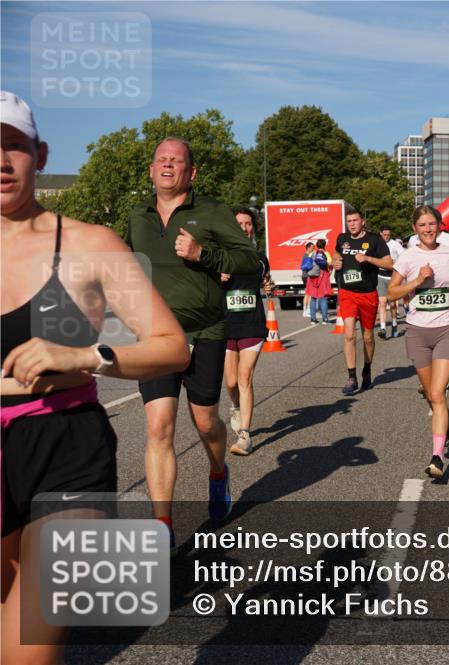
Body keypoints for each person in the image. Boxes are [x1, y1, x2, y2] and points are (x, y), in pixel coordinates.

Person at [1, 91, 189, 664]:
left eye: (13, 145)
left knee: (25, 648)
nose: (0, 161)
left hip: (67, 446)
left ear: (40, 154)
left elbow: (171, 346)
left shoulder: (90, 244)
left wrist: (87, 355)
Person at [128, 136, 260, 543]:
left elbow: (249, 260)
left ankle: (218, 472)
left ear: (192, 172)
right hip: (156, 335)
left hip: (206, 332)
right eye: (161, 159)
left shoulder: (212, 211)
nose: (168, 165)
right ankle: (162, 528)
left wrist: (204, 253)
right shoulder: (137, 216)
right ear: (152, 170)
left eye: (177, 160)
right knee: (159, 427)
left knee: (205, 422)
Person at [388, 205, 449, 478]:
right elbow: (391, 293)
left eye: (432, 224)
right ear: (414, 229)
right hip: (417, 332)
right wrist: (417, 281)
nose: (428, 229)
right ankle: (445, 424)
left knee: (438, 392)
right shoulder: (407, 257)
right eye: (422, 225)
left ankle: (437, 457)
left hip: (446, 329)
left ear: (440, 225)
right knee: (430, 394)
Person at [222, 207, 271, 455]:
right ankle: (236, 406)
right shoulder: (220, 257)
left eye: (248, 224)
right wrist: (216, 278)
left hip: (252, 324)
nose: (244, 228)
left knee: (244, 377)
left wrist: (267, 284)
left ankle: (245, 435)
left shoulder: (260, 259)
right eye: (239, 224)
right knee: (230, 382)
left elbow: (264, 280)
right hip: (226, 325)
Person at [332, 206, 392, 395]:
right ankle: (352, 377)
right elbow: (336, 254)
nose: (352, 224)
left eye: (355, 221)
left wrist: (368, 258)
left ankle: (367, 368)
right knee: (349, 334)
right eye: (349, 221)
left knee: (368, 337)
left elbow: (389, 263)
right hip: (347, 293)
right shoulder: (342, 238)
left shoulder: (375, 240)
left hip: (368, 293)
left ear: (362, 221)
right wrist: (335, 261)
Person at [377, 225, 406, 339]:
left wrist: (395, 262)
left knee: (393, 304)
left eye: (388, 235)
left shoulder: (395, 244)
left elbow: (404, 256)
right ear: (380, 234)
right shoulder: (377, 243)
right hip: (380, 276)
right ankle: (383, 328)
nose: (386, 237)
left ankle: (394, 324)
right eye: (384, 235)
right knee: (382, 302)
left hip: (393, 277)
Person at [306, 239, 332, 324]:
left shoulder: (312, 253)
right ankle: (324, 319)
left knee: (313, 298)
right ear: (324, 245)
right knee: (323, 298)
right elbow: (330, 263)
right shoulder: (326, 253)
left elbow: (308, 264)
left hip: (313, 277)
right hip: (323, 276)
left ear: (316, 245)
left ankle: (313, 319)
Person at [300, 241, 315, 318]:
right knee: (309, 294)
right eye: (312, 247)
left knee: (307, 293)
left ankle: (305, 310)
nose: (313, 249)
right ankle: (308, 310)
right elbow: (308, 266)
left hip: (304, 276)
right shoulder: (307, 256)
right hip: (308, 276)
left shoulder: (305, 255)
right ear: (308, 248)